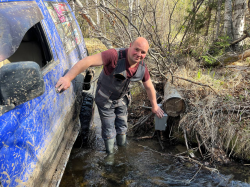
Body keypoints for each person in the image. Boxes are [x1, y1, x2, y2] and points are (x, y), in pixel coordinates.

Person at [55, 37, 164, 155]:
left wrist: (154, 106)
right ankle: (110, 156)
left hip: (122, 98)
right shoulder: (114, 55)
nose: (139, 54)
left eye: (143, 52)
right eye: (136, 49)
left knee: (122, 127)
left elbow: (149, 87)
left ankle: (122, 154)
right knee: (109, 129)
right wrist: (68, 78)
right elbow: (88, 61)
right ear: (130, 45)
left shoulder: (142, 67)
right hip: (105, 98)